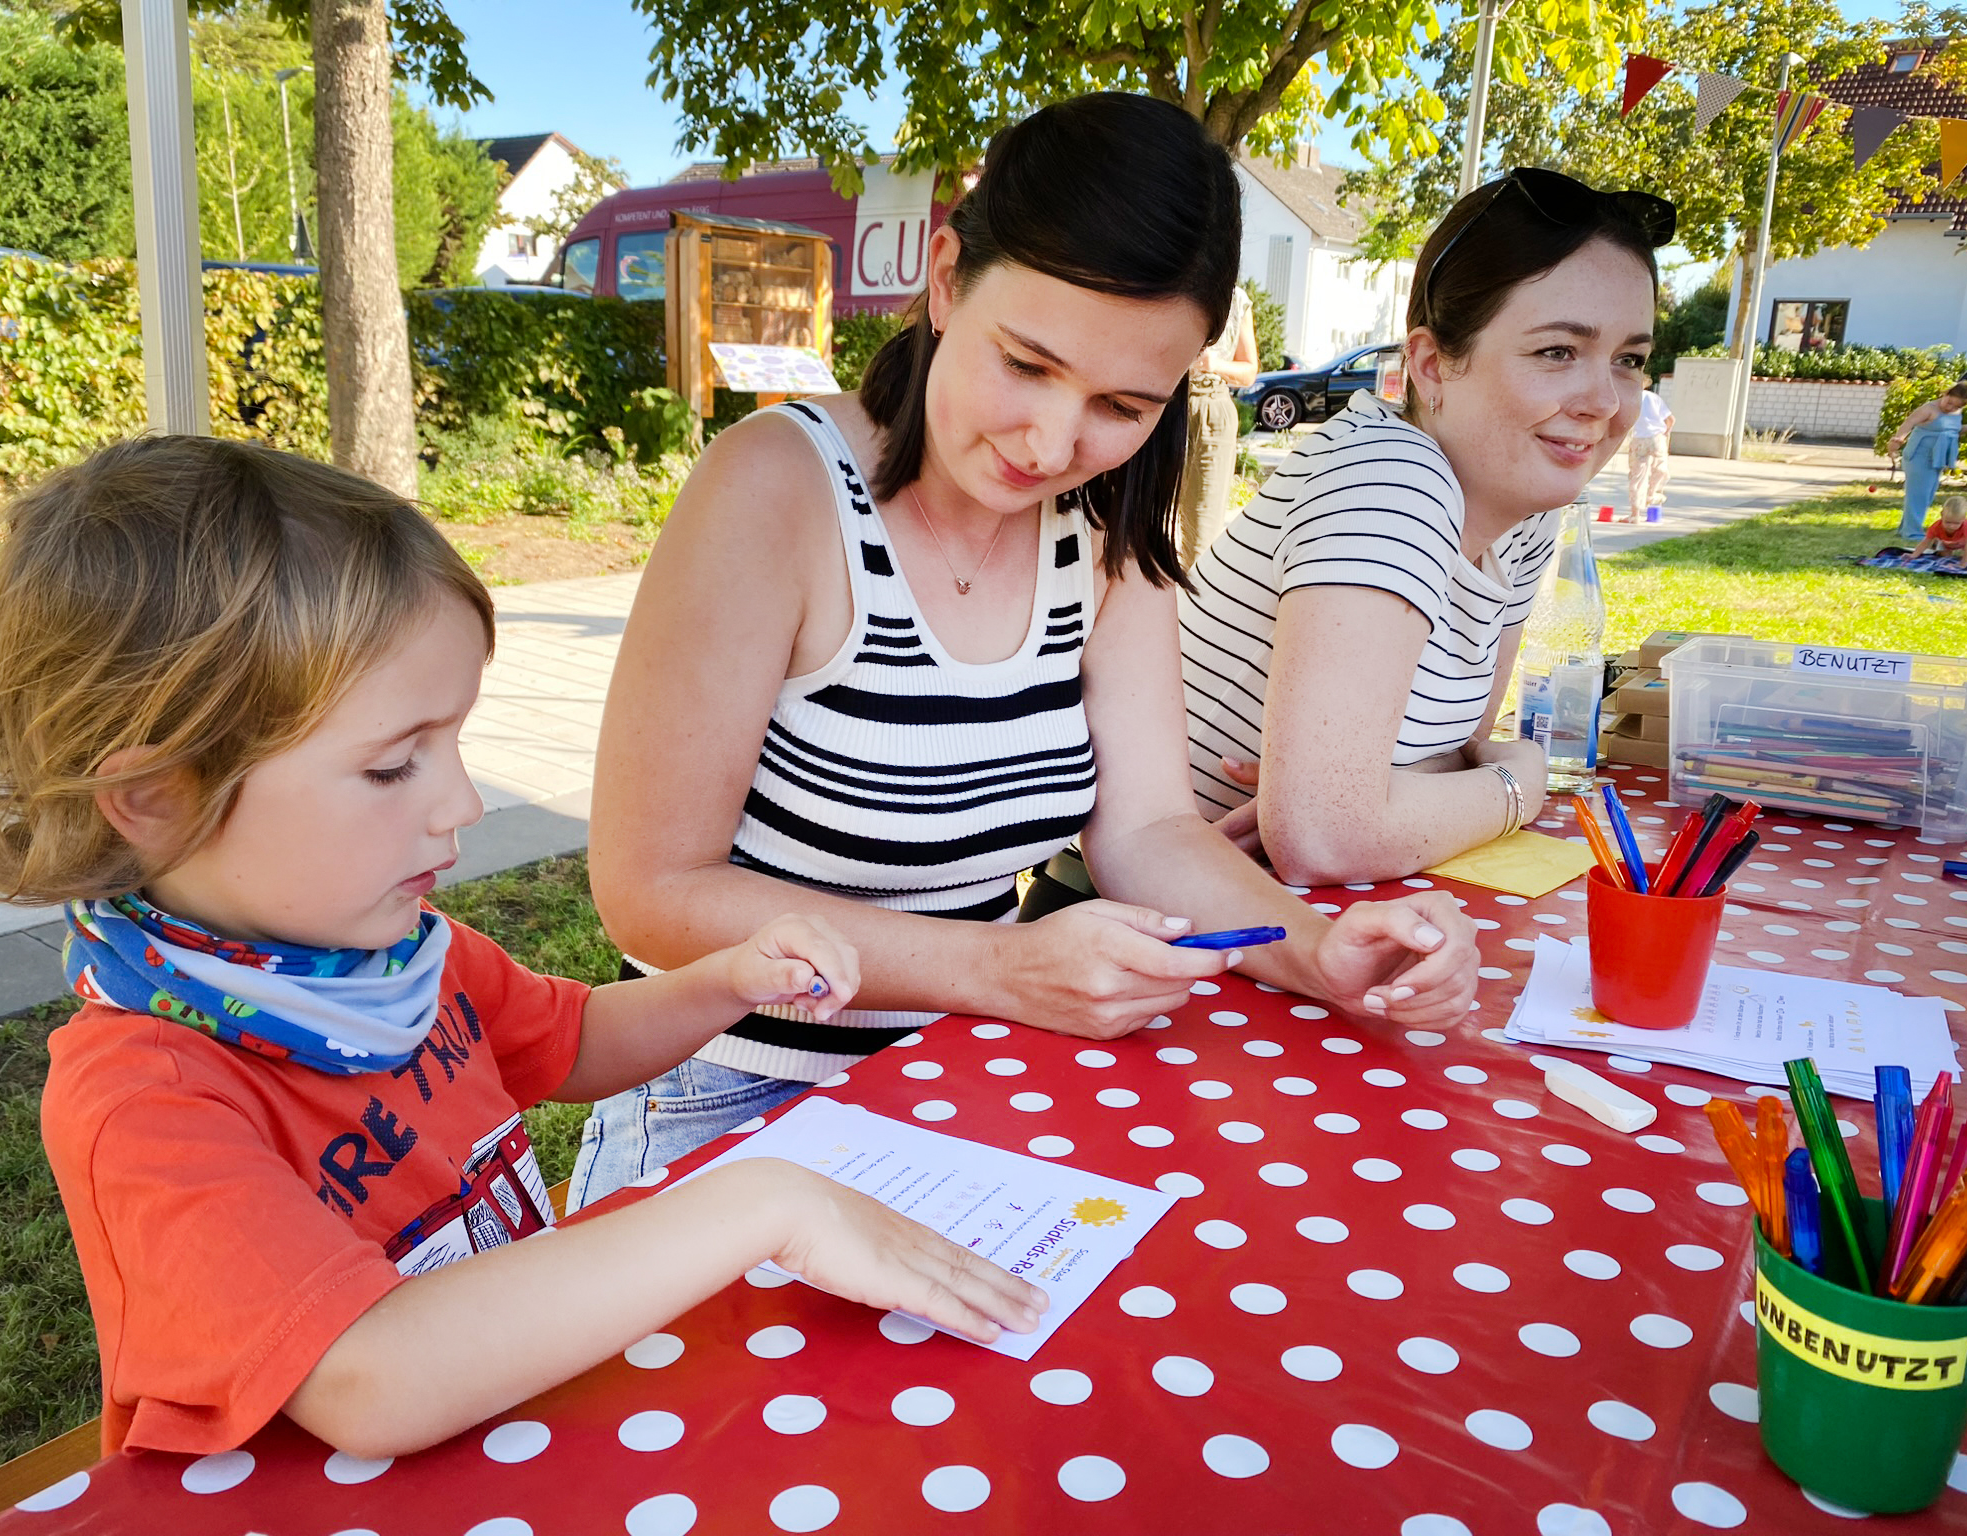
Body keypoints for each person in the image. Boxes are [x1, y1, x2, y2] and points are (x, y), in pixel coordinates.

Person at [0, 437, 1043, 1459]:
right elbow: (368, 1379)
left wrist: (723, 981)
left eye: (456, 744)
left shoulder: (404, 958)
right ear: (151, 793)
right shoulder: (146, 1101)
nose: (462, 804)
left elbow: (567, 1045)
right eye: (395, 766)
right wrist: (757, 1202)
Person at [569, 93, 1480, 1210]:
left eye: (1122, 403)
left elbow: (1146, 828)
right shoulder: (776, 489)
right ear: (946, 278)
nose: (1052, 444)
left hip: (963, 1088)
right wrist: (994, 970)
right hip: (723, 1100)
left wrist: (1316, 950)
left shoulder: (1104, 530)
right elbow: (649, 889)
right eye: (1026, 364)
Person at [1179, 166, 1673, 885]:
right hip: (1135, 929)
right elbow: (1326, 837)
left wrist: (1393, 793)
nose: (1604, 399)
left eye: (1629, 359)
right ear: (1434, 364)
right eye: (1557, 351)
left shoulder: (1523, 515)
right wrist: (1522, 783)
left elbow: (1453, 752)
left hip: (1281, 915)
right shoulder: (1389, 478)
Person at [1178, 284, 1259, 566]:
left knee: (1201, 528)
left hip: (1210, 406)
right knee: (1139, 525)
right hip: (1160, 403)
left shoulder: (1235, 298)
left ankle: (1190, 607)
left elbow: (1249, 371)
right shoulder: (1163, 276)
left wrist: (1214, 364)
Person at [1888, 382, 1967, 542]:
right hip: (1918, 456)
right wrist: (1899, 438)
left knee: (1926, 495)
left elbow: (1952, 430)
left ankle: (1906, 528)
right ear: (1946, 393)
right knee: (1919, 494)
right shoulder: (1929, 408)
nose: (1950, 408)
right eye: (1949, 402)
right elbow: (1909, 422)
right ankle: (1912, 532)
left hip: (1937, 458)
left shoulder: (1957, 412)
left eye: (1955, 406)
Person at [1626, 383, 1674, 522]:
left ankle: (1635, 514)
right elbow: (1671, 419)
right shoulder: (1654, 398)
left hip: (1639, 438)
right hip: (1656, 438)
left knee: (1637, 476)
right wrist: (1666, 432)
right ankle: (1652, 496)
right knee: (1660, 470)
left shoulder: (1631, 399)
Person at [1912, 492, 1967, 567]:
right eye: (1948, 522)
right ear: (1942, 515)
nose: (1951, 526)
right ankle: (1939, 543)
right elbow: (1925, 542)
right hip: (1948, 540)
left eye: (1956, 523)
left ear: (1963, 518)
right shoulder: (1936, 526)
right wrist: (1913, 556)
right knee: (1945, 556)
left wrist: (1963, 564)